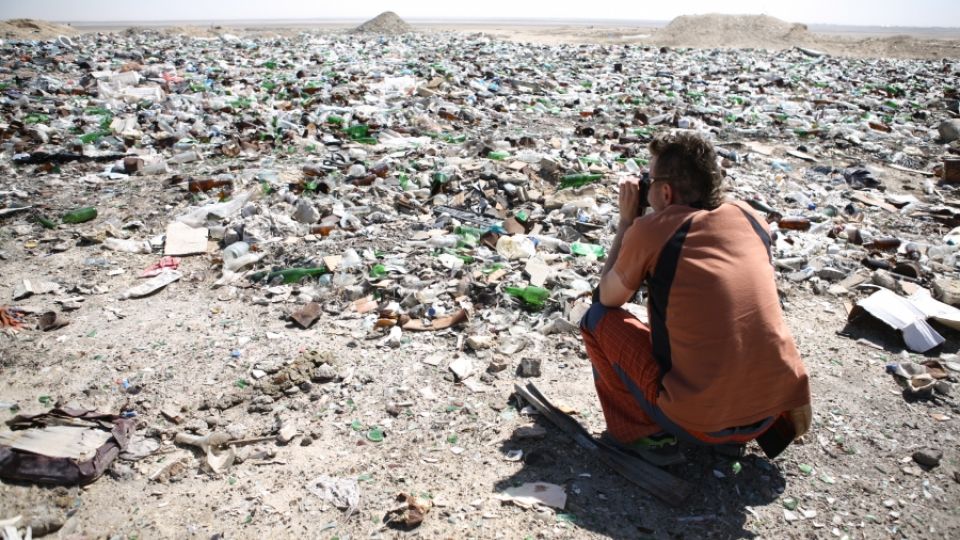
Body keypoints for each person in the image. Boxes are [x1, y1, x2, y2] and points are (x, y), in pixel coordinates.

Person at [579, 131, 811, 459]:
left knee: (597, 320)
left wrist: (627, 221)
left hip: (702, 423)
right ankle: (733, 432)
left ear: (665, 190)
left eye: (650, 178)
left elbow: (605, 298)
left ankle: (646, 437)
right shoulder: (751, 217)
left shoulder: (654, 230)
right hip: (770, 413)